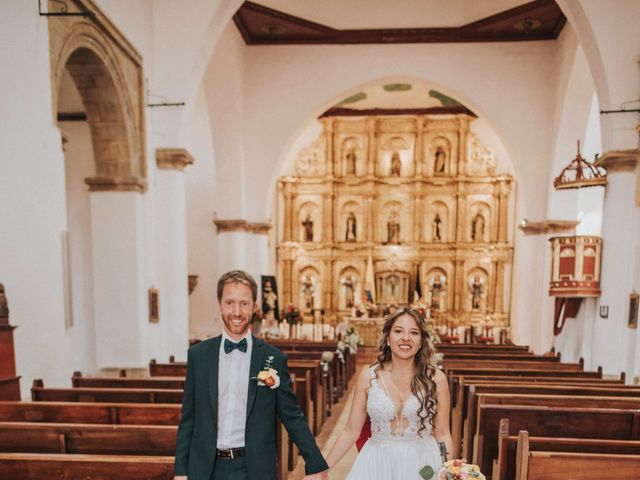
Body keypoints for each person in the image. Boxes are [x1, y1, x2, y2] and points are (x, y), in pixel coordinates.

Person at [174, 270, 328, 480]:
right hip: (205, 468)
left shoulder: (273, 358)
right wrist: (181, 471)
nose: (236, 311)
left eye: (244, 303)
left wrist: (315, 462)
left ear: (254, 306)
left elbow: (291, 415)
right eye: (230, 303)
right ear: (220, 304)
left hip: (253, 468)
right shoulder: (199, 356)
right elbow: (188, 418)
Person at [325, 308, 452, 479]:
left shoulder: (437, 379)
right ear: (388, 339)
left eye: (413, 332)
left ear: (421, 341)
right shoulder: (368, 377)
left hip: (422, 462)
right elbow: (351, 430)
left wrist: (450, 471)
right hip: (377, 462)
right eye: (398, 331)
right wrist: (324, 468)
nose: (405, 338)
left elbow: (443, 433)